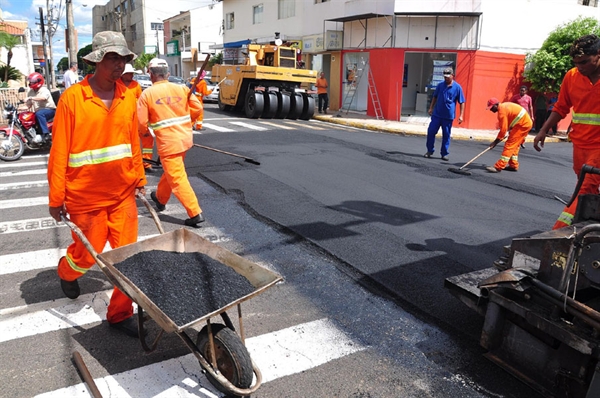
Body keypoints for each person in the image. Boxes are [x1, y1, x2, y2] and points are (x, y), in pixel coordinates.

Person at [47, 31, 146, 338]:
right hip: (84, 196)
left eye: (123, 59)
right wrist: (56, 196)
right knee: (88, 254)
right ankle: (67, 270)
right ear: (97, 61)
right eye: (112, 58)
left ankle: (119, 313)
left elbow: (133, 141)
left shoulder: (127, 96)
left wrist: (139, 177)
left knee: (128, 256)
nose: (119, 65)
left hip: (122, 193)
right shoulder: (73, 99)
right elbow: (60, 149)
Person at [534, 34, 600, 230]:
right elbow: (561, 107)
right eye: (576, 62)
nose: (580, 67)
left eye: (585, 62)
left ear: (598, 55)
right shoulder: (572, 77)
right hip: (580, 145)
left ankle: (557, 235)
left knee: (585, 189)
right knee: (589, 191)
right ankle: (588, 232)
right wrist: (543, 130)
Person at [137, 57, 205, 227]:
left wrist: (144, 133)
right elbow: (197, 108)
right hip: (184, 139)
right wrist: (186, 123)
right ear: (167, 74)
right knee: (172, 171)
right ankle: (160, 198)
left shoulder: (148, 94)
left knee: (177, 177)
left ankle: (195, 212)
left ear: (150, 75)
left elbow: (140, 123)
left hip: (168, 143)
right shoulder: (181, 88)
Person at [424, 67, 465, 161]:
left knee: (446, 135)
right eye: (445, 77)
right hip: (437, 115)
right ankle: (430, 150)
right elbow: (435, 97)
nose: (446, 78)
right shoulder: (440, 86)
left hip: (448, 117)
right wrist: (431, 108)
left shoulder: (457, 87)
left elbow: (462, 102)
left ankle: (444, 153)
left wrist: (461, 115)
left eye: (448, 77)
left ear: (452, 76)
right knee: (431, 132)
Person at [121, 63, 154, 173]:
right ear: (123, 74)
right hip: (122, 119)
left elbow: (140, 101)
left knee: (148, 138)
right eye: (129, 73)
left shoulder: (136, 85)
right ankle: (128, 165)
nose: (131, 75)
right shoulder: (116, 84)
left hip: (136, 118)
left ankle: (147, 163)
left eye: (132, 73)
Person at [484, 98, 533, 173]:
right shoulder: (504, 107)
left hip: (522, 125)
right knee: (515, 145)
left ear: (496, 105)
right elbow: (512, 118)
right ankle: (513, 165)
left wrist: (495, 142)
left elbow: (503, 130)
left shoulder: (501, 112)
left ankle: (499, 167)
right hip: (524, 123)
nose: (491, 110)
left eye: (492, 107)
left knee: (509, 144)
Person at [25, 72, 56, 143]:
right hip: (39, 112)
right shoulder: (31, 92)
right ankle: (36, 135)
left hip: (50, 110)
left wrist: (31, 98)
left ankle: (46, 134)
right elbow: (28, 106)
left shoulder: (44, 90)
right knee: (30, 117)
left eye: (33, 82)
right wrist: (16, 109)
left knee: (39, 114)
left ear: (38, 81)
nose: (31, 83)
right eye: (30, 82)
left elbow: (43, 98)